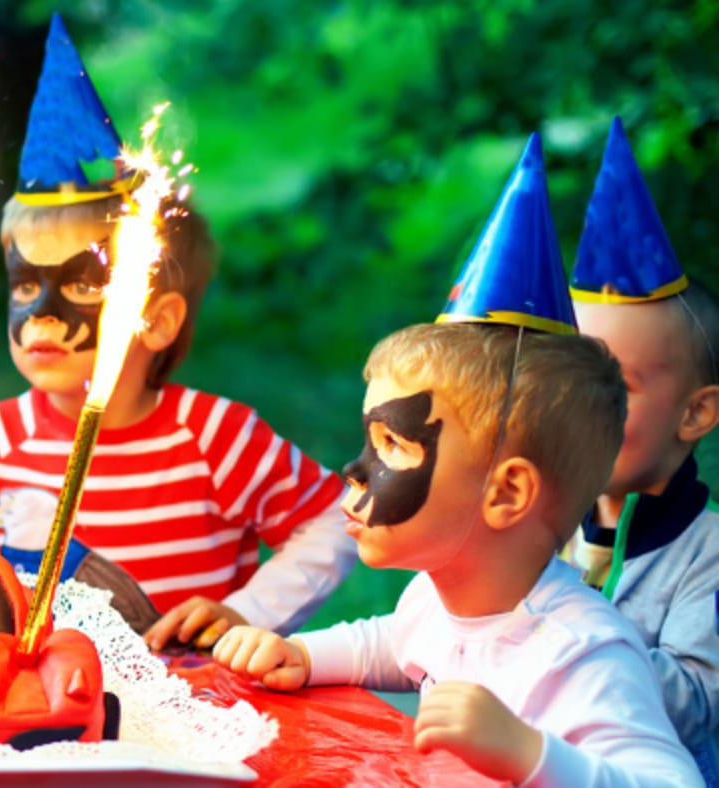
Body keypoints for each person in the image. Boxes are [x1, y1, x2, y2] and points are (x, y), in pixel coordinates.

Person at [216, 134, 702, 786]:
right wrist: (302, 653)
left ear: (506, 494)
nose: (354, 472)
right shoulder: (437, 598)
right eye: (368, 442)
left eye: (393, 445)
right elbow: (392, 641)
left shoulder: (581, 655)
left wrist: (531, 754)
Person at [0, 15, 355, 646]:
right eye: (25, 284)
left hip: (199, 708)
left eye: (83, 284)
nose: (42, 315)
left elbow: (333, 518)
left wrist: (250, 613)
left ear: (157, 320)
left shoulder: (218, 438)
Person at [565, 118, 719, 783]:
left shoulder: (708, 556)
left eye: (613, 386)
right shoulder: (539, 527)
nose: (574, 408)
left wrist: (556, 623)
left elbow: (694, 706)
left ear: (696, 412)